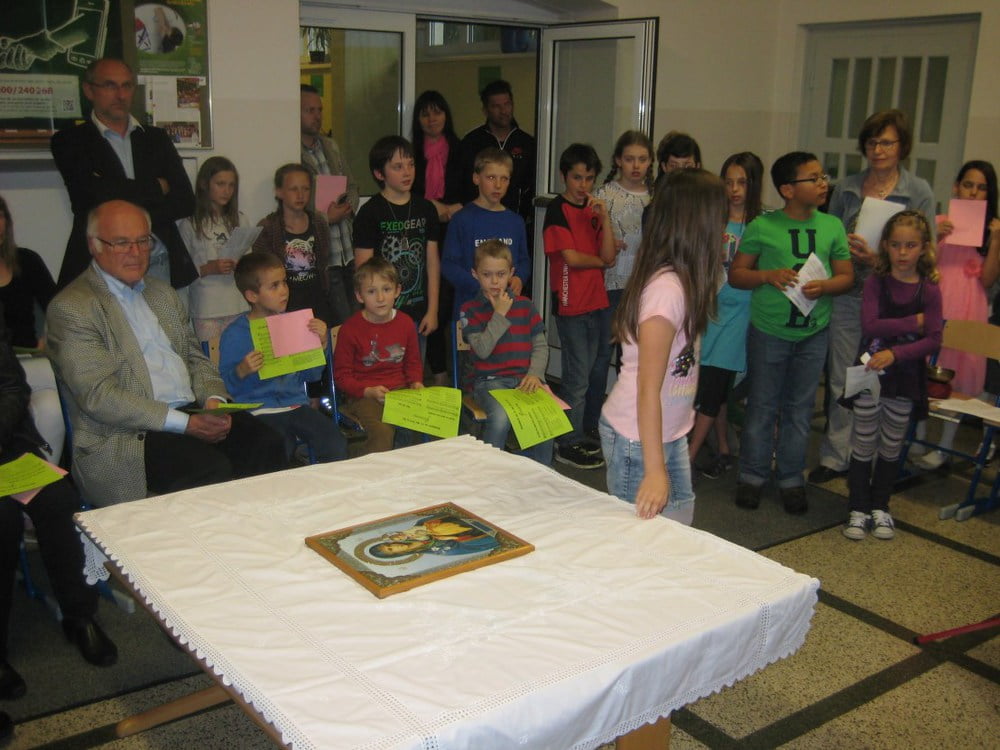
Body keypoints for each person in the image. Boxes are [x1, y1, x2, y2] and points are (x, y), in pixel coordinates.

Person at [45, 200, 287, 506]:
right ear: (95, 245)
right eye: (122, 243)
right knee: (211, 471)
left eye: (142, 241)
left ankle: (259, 528)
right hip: (131, 433)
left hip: (192, 410)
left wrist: (214, 400)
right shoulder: (73, 308)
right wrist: (185, 424)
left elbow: (196, 359)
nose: (136, 252)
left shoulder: (162, 294)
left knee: (267, 443)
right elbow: (99, 397)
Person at [810, 109, 934, 484]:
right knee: (843, 377)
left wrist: (876, 259)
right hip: (849, 295)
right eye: (872, 142)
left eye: (887, 143)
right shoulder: (847, 187)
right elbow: (829, 241)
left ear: (902, 146)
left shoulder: (918, 191)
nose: (878, 150)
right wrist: (846, 255)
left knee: (888, 379)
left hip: (895, 301)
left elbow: (926, 255)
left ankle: (877, 458)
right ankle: (837, 455)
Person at [1, 322, 118, 720]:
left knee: (60, 502)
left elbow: (12, 387)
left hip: (6, 445)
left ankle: (80, 616)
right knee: (1, 520)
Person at [729, 152, 854, 514]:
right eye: (813, 178)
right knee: (762, 406)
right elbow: (737, 275)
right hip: (769, 332)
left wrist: (825, 286)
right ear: (787, 189)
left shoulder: (832, 226)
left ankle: (790, 478)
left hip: (813, 334)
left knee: (800, 409)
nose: (823, 183)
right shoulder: (762, 227)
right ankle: (752, 475)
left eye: (822, 176)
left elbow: (847, 277)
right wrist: (767, 276)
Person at [599, 169, 726, 525]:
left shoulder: (684, 281)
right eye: (718, 220)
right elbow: (647, 388)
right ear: (697, 226)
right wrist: (655, 471)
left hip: (667, 432)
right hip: (637, 438)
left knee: (680, 522)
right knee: (638, 538)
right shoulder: (666, 292)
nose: (723, 231)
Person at [50, 58, 197, 291]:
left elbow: (185, 201)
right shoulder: (69, 141)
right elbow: (89, 197)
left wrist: (114, 195)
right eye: (110, 85)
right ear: (89, 90)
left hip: (160, 264)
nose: (120, 95)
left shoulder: (155, 139)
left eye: (127, 86)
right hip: (102, 268)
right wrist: (157, 188)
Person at [842, 211, 943, 540]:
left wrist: (896, 352)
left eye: (910, 246)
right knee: (863, 441)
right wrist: (914, 323)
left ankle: (880, 506)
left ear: (923, 247)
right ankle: (858, 507)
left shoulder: (929, 290)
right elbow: (871, 326)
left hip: (905, 378)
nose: (902, 253)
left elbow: (934, 339)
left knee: (891, 445)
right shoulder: (876, 282)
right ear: (885, 245)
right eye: (896, 245)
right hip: (870, 375)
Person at [220, 253, 346, 465]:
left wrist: (321, 345)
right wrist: (241, 371)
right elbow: (225, 387)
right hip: (258, 411)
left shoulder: (294, 324)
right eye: (274, 286)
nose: (284, 291)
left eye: (284, 282)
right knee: (279, 448)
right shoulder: (235, 334)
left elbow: (311, 375)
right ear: (252, 296)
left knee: (334, 442)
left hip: (295, 406)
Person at [917, 161, 1000, 469]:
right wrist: (936, 236)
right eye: (968, 185)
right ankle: (918, 434)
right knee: (923, 367)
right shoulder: (939, 221)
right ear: (956, 187)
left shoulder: (992, 232)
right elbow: (922, 265)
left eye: (981, 188)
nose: (973, 192)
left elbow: (988, 280)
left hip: (970, 307)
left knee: (959, 376)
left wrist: (996, 241)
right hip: (938, 299)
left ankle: (944, 446)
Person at [687, 152, 765, 478]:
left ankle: (686, 459)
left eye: (742, 183)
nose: (734, 190)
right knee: (712, 384)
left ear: (753, 185)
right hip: (710, 309)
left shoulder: (761, 225)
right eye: (728, 182)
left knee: (715, 383)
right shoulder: (713, 219)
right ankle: (722, 448)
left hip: (741, 311)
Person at [543, 143, 617, 470]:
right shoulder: (557, 210)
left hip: (596, 301)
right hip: (571, 304)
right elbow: (571, 258)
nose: (583, 185)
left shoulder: (593, 209)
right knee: (576, 377)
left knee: (587, 372)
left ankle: (576, 432)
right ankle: (565, 441)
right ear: (564, 176)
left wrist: (606, 219)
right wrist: (601, 261)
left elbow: (609, 254)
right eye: (576, 177)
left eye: (588, 178)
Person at [588, 131, 654, 440]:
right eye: (629, 159)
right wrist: (606, 241)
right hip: (609, 285)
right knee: (602, 355)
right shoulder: (604, 195)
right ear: (618, 161)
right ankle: (591, 422)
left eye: (642, 159)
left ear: (651, 162)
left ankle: (628, 423)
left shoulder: (655, 197)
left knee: (634, 358)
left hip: (643, 289)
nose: (636, 166)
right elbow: (588, 236)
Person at [460, 240, 550, 464]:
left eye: (500, 274)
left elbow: (540, 346)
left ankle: (541, 472)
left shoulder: (526, 306)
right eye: (487, 274)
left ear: (511, 273)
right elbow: (482, 350)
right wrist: (499, 314)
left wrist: (535, 374)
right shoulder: (470, 310)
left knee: (546, 416)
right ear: (475, 274)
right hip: (489, 382)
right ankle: (492, 469)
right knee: (501, 418)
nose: (494, 281)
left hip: (524, 381)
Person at [353, 136, 440, 356]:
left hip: (418, 312)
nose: (407, 172)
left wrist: (433, 310)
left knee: (415, 371)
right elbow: (363, 270)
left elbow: (432, 263)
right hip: (382, 312)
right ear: (379, 173)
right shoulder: (369, 213)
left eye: (411, 165)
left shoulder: (426, 209)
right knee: (385, 369)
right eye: (398, 167)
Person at [333, 257, 423, 454]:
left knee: (421, 423)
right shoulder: (350, 329)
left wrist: (416, 382)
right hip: (363, 395)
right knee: (382, 432)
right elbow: (341, 376)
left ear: (397, 291)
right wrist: (367, 391)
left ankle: (403, 465)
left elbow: (413, 362)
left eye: (386, 289)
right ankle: (379, 468)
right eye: (372, 292)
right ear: (359, 296)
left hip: (400, 391)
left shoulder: (406, 323)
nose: (380, 298)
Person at [0, 195, 64, 464]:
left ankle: (42, 479)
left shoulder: (27, 260)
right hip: (4, 370)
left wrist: (48, 339)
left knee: (52, 407)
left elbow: (61, 308)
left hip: (30, 359)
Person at [412, 90, 464, 385]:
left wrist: (452, 208)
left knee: (449, 304)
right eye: (425, 114)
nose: (432, 119)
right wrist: (432, 207)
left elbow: (472, 191)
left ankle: (452, 372)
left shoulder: (461, 149)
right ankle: (438, 373)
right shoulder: (411, 153)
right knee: (430, 302)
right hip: (422, 231)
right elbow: (408, 193)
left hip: (455, 230)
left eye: (437, 112)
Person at [442, 148, 530, 317]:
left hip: (507, 309)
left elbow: (524, 260)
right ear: (476, 178)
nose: (498, 185)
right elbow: (448, 265)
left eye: (504, 179)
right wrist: (481, 285)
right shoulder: (461, 220)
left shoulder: (516, 222)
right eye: (491, 178)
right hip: (471, 309)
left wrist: (519, 278)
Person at [299, 84, 359, 327]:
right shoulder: (292, 153)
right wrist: (326, 218)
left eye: (319, 110)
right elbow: (295, 207)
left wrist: (349, 207)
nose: (317, 116)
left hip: (348, 250)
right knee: (340, 325)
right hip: (326, 257)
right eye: (309, 110)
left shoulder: (331, 146)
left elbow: (352, 186)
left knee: (357, 321)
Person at [177, 156, 250, 343]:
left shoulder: (240, 220)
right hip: (207, 308)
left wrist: (240, 265)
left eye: (231, 185)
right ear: (204, 184)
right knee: (212, 357)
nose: (227, 191)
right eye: (220, 184)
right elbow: (180, 271)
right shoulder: (190, 224)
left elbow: (250, 263)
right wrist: (208, 268)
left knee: (240, 354)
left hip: (238, 304)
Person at [253, 163, 333, 327]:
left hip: (317, 300)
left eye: (305, 189)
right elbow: (262, 272)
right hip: (284, 304)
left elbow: (324, 259)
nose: (300, 195)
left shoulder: (318, 222)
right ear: (279, 192)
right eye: (293, 189)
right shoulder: (268, 227)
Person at [459, 80, 536, 238]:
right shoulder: (471, 142)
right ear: (485, 110)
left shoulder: (527, 143)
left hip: (514, 223)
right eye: (496, 106)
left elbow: (532, 185)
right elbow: (463, 184)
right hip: (477, 223)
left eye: (507, 104)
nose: (503, 111)